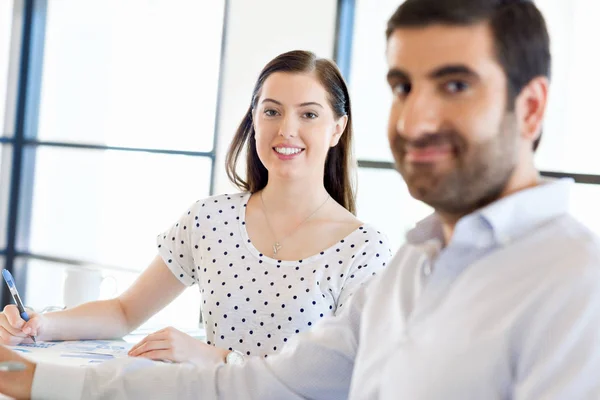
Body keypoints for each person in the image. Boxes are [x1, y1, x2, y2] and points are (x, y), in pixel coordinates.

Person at [2, 0, 600, 398]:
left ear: (531, 107)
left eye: (455, 85)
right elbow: (269, 386)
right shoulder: (417, 265)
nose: (417, 117)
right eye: (402, 86)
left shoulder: (576, 282)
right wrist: (40, 378)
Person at [0, 50, 391, 365]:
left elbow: (346, 375)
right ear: (254, 119)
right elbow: (123, 312)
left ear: (337, 128)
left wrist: (213, 359)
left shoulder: (364, 249)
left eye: (308, 114)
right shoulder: (210, 219)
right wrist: (41, 324)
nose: (286, 129)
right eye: (271, 111)